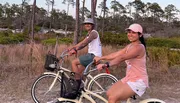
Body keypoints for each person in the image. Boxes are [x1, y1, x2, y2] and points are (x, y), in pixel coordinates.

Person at [94, 23, 148, 103]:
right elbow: (116, 54)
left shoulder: (139, 47)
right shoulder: (130, 46)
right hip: (129, 78)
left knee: (113, 98)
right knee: (109, 93)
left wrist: (106, 65)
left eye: (133, 32)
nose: (130, 34)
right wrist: (101, 58)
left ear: (140, 35)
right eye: (129, 32)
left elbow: (122, 57)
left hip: (138, 81)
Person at [64, 18, 102, 99]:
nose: (87, 25)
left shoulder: (94, 33)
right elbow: (82, 43)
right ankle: (83, 91)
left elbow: (85, 43)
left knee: (74, 62)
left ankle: (78, 87)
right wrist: (72, 48)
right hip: (92, 55)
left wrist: (75, 50)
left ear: (92, 25)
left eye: (89, 24)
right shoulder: (89, 34)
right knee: (79, 73)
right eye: (86, 24)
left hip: (94, 56)